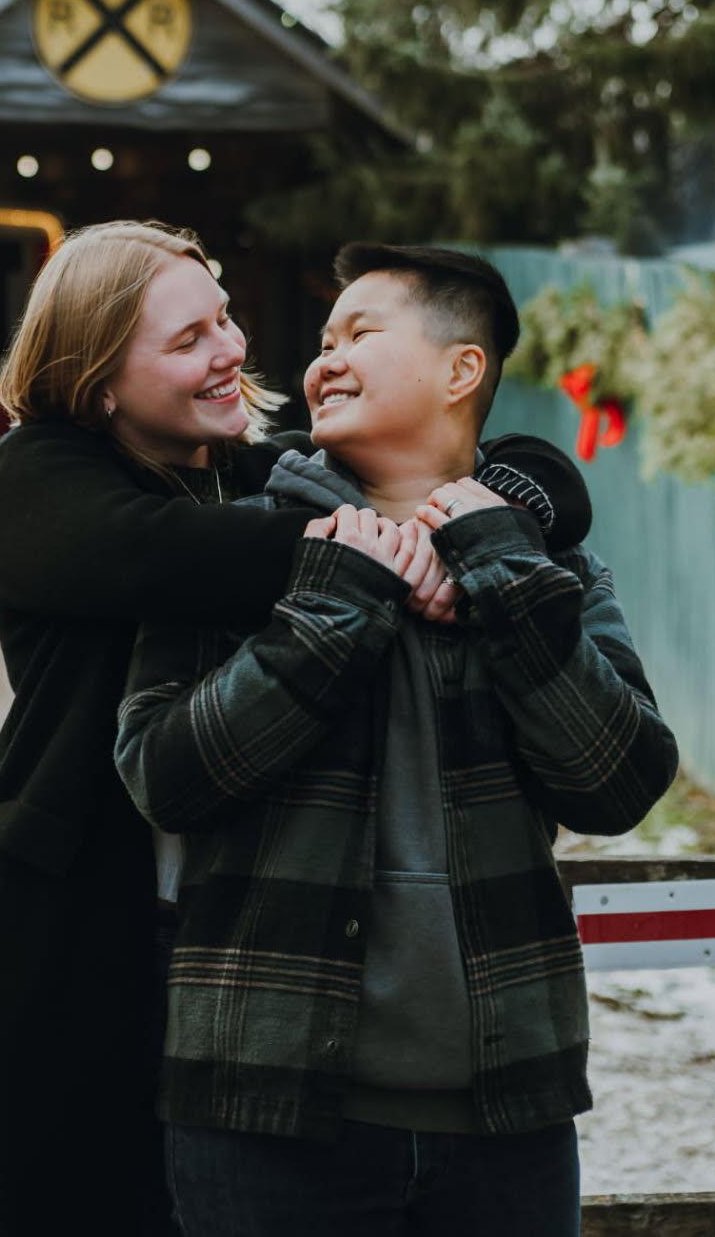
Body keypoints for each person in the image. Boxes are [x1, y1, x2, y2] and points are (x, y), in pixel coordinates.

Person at [0, 221, 592, 1237]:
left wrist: (478, 503)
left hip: (236, 950)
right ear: (98, 379)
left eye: (223, 318)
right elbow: (181, 553)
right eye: (188, 340)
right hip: (71, 937)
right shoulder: (43, 476)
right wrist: (391, 538)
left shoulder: (253, 472)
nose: (231, 348)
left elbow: (529, 468)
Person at [114, 242, 679, 1237]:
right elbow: (167, 776)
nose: (323, 361)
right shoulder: (238, 544)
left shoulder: (548, 568)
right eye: (323, 340)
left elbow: (617, 784)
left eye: (360, 334)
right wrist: (336, 605)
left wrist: (499, 569)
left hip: (507, 1108)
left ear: (462, 370)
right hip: (264, 1102)